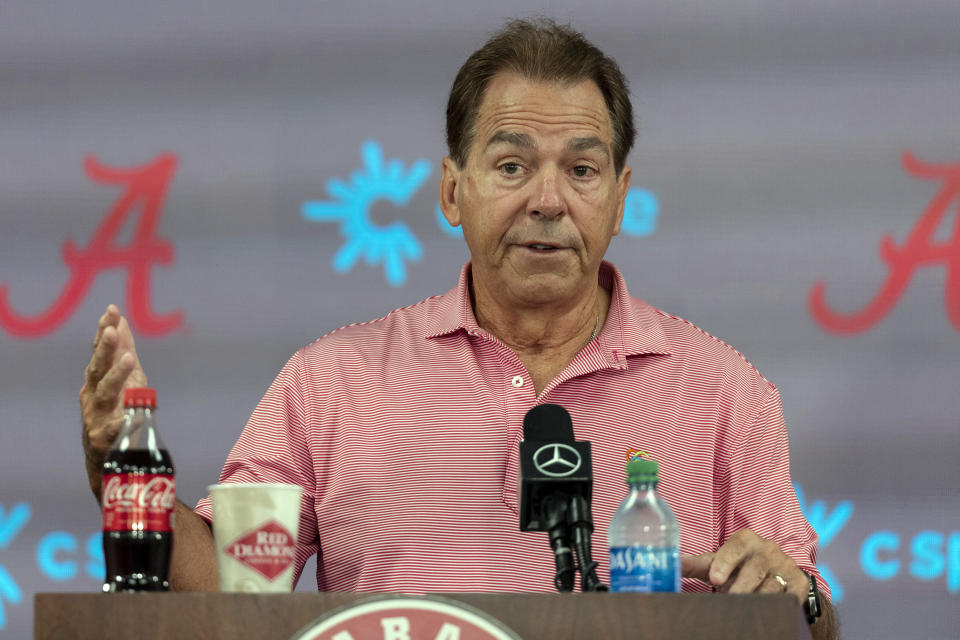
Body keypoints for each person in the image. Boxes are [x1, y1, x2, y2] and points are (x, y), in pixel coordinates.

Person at [80, 18, 836, 637]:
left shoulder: (724, 392)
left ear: (619, 196)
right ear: (451, 190)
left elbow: (814, 615)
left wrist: (794, 594)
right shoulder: (331, 381)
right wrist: (121, 469)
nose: (547, 200)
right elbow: (227, 589)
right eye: (512, 166)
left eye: (581, 170)